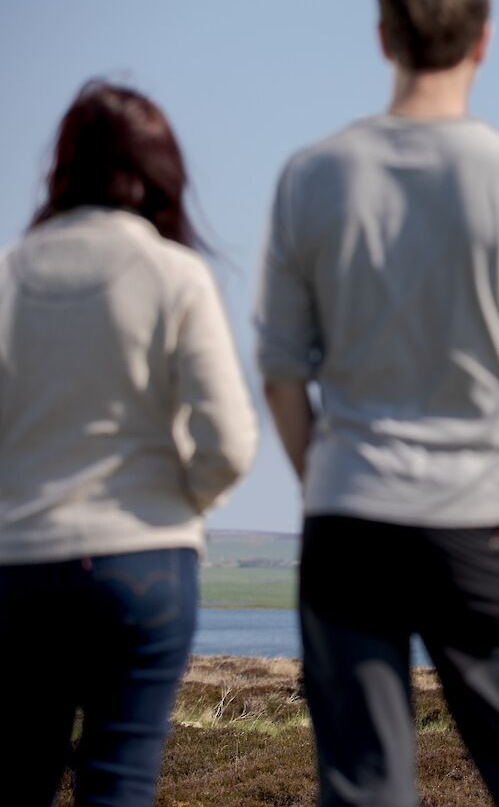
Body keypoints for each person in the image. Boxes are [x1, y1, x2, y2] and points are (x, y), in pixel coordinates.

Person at [254, 0, 499, 807]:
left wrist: (324, 479)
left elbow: (281, 372)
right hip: (479, 514)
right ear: (483, 41)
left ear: (382, 38)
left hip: (348, 514)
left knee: (364, 790)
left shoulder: (312, 177)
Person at [0, 81, 258, 806]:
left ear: (63, 168)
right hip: (144, 563)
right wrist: (179, 504)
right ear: (158, 173)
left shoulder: (8, 275)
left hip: (20, 567)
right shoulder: (175, 275)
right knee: (119, 786)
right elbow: (230, 442)